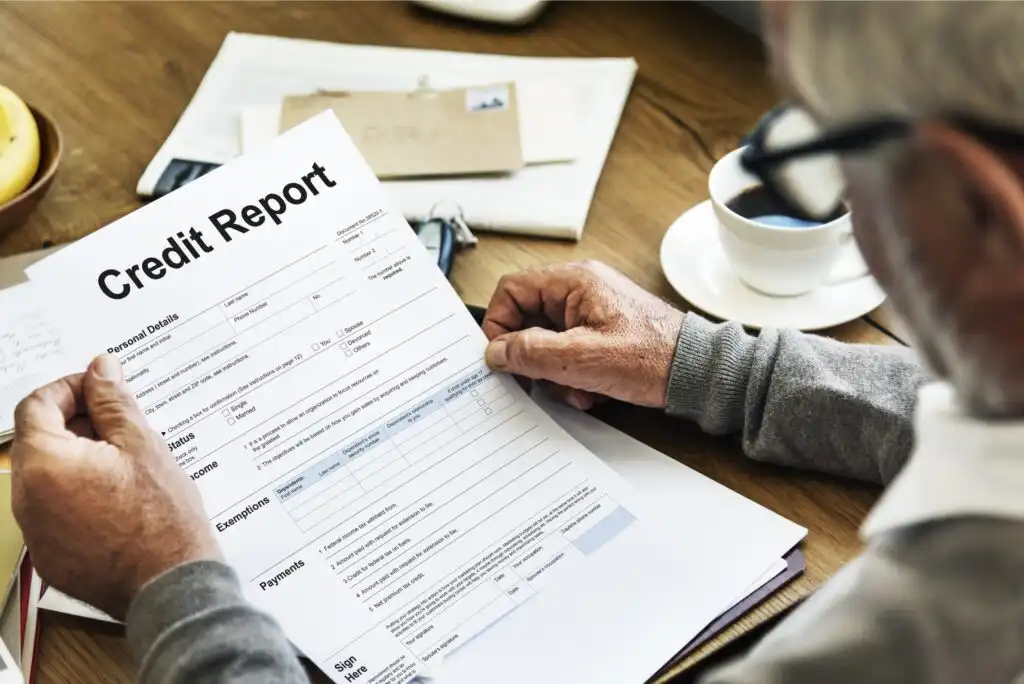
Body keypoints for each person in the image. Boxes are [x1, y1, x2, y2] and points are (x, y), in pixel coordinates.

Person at [11, 1, 1024, 681]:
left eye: (821, 147)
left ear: (982, 209)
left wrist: (167, 584)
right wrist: (720, 369)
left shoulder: (929, 632)